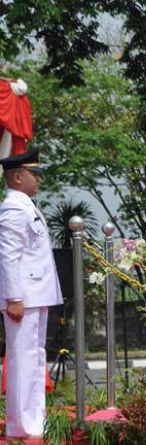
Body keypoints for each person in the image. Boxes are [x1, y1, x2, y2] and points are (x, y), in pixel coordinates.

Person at [0, 150, 63, 440]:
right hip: (23, 298)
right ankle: (23, 425)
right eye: (33, 174)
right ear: (17, 176)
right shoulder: (14, 207)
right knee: (22, 360)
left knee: (34, 359)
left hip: (34, 296)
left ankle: (33, 420)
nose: (38, 179)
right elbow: (8, 255)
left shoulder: (26, 205)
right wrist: (13, 297)